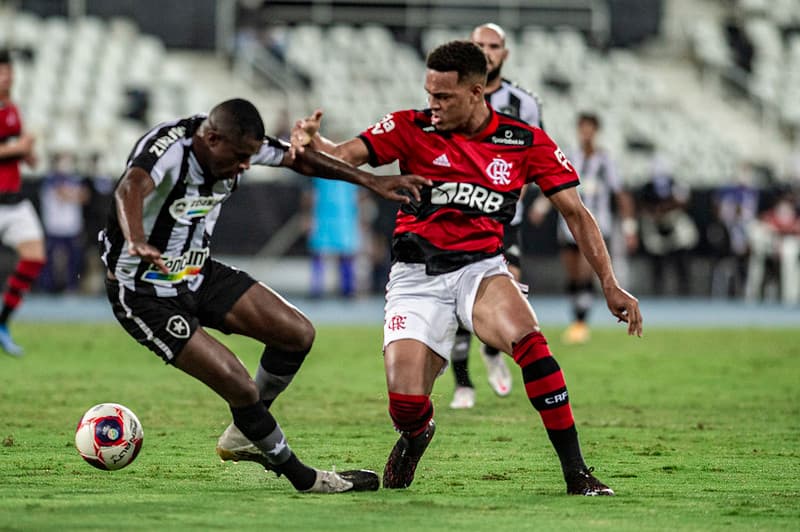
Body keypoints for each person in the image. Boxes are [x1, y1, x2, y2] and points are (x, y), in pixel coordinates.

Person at [293, 41, 642, 495]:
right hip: (415, 276)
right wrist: (310, 145)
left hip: (481, 270)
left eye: (444, 97)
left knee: (533, 346)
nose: (432, 106)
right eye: (429, 94)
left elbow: (576, 213)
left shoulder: (523, 141)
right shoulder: (408, 126)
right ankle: (417, 434)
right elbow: (344, 155)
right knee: (405, 404)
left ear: (477, 93)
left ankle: (577, 473)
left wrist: (610, 284)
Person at [101, 98, 429, 493]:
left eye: (249, 158)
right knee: (239, 384)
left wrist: (370, 181)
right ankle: (305, 479)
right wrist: (136, 239)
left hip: (195, 273)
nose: (244, 167)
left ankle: (244, 433)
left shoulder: (238, 144)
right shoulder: (171, 148)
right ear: (212, 138)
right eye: (239, 157)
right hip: (143, 291)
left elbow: (299, 160)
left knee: (296, 332)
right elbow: (130, 187)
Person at [447, 22, 545, 409]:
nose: (486, 51)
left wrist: (507, 199)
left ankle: (492, 350)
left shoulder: (525, 104)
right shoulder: (451, 99)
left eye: (494, 45)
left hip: (506, 223)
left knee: (508, 292)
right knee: (457, 303)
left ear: (505, 53)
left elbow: (538, 158)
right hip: (458, 222)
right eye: (478, 45)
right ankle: (463, 384)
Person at [530, 112, 637, 344]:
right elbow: (552, 184)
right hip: (568, 225)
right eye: (582, 128)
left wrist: (629, 227)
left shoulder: (606, 160)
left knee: (585, 270)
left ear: (596, 131)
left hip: (597, 226)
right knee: (573, 275)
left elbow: (621, 194)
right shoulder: (569, 155)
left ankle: (581, 322)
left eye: (590, 128)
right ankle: (576, 319)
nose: (586, 133)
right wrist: (540, 206)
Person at [0, 49, 46, 357]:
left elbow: (18, 153)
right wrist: (18, 147)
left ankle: (2, 323)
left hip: (14, 201)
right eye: (3, 72)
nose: (9, 77)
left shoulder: (12, 109)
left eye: (10, 71)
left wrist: (27, 153)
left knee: (34, 256)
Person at [38, 151, 90, 293]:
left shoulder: (75, 179)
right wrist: (74, 194)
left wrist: (72, 194)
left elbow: (85, 197)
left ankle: (71, 286)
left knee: (74, 259)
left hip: (71, 227)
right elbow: (62, 194)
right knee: (48, 260)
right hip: (54, 227)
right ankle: (47, 287)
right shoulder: (50, 179)